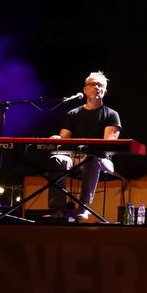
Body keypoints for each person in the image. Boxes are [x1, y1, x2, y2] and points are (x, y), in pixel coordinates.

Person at [47, 70, 121, 220]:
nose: (96, 87)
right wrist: (58, 138)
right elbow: (64, 139)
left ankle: (83, 207)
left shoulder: (112, 115)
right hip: (76, 158)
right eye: (92, 84)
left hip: (102, 161)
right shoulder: (73, 114)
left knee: (91, 160)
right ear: (85, 89)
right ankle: (58, 209)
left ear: (105, 92)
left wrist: (87, 152)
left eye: (100, 85)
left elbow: (108, 145)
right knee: (57, 158)